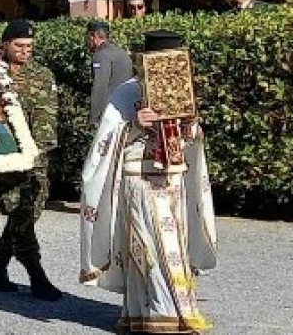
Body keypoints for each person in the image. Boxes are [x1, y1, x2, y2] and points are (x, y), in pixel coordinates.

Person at [80, 30, 217, 334]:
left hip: (174, 180)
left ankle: (175, 310)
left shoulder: (183, 88)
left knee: (175, 248)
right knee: (149, 249)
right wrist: (133, 125)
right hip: (139, 180)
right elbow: (104, 145)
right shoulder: (125, 94)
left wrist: (190, 127)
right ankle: (154, 313)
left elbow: (192, 140)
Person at [0, 19, 62, 301]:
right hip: (4, 158)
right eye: (19, 45)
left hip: (34, 158)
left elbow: (46, 117)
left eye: (29, 46)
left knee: (28, 213)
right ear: (4, 45)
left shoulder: (42, 75)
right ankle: (36, 276)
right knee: (21, 213)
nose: (26, 50)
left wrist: (37, 150)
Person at [86, 21, 134, 127]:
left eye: (87, 37)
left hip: (109, 114)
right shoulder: (121, 53)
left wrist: (94, 117)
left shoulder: (101, 55)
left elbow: (100, 86)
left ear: (93, 36)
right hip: (127, 111)